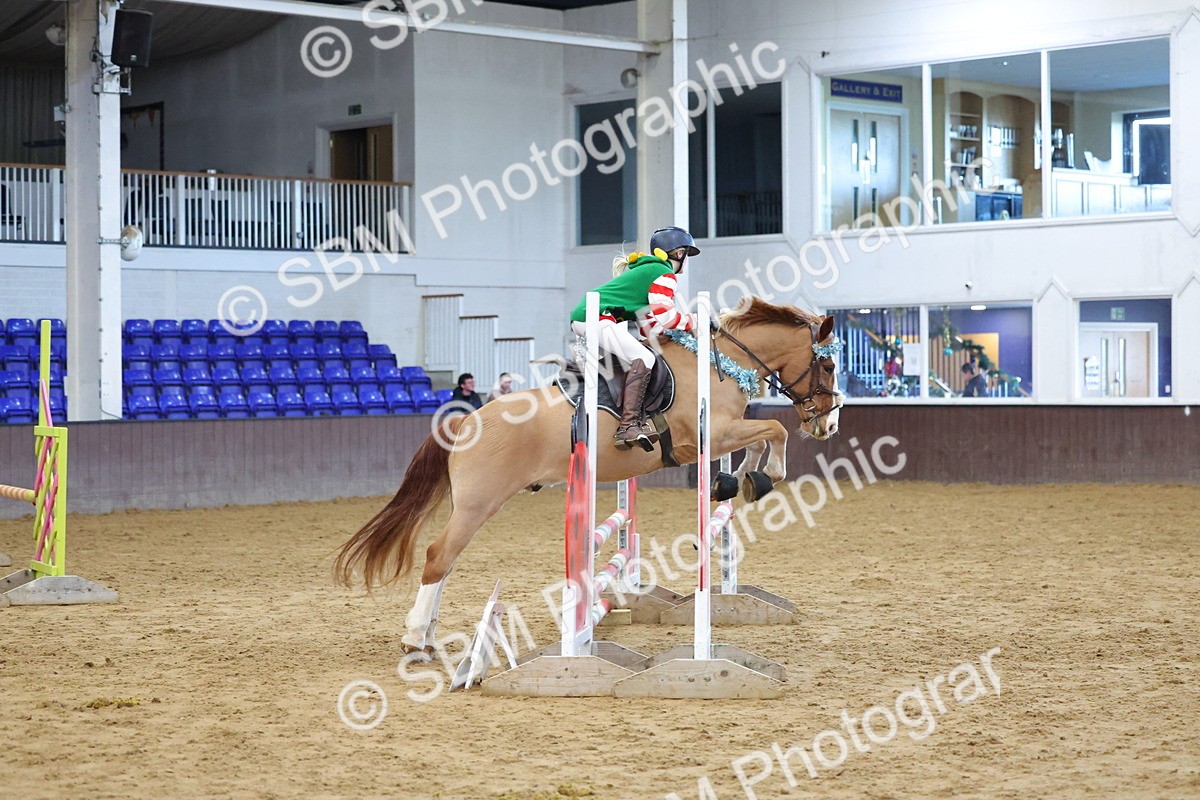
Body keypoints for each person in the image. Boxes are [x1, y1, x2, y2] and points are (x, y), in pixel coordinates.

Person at [569, 226, 701, 450]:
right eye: (686, 254)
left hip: (594, 316)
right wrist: (695, 322)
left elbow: (649, 327)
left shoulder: (649, 271)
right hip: (596, 317)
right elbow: (666, 317)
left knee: (642, 354)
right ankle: (628, 426)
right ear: (679, 253)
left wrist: (677, 333)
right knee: (644, 358)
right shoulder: (664, 274)